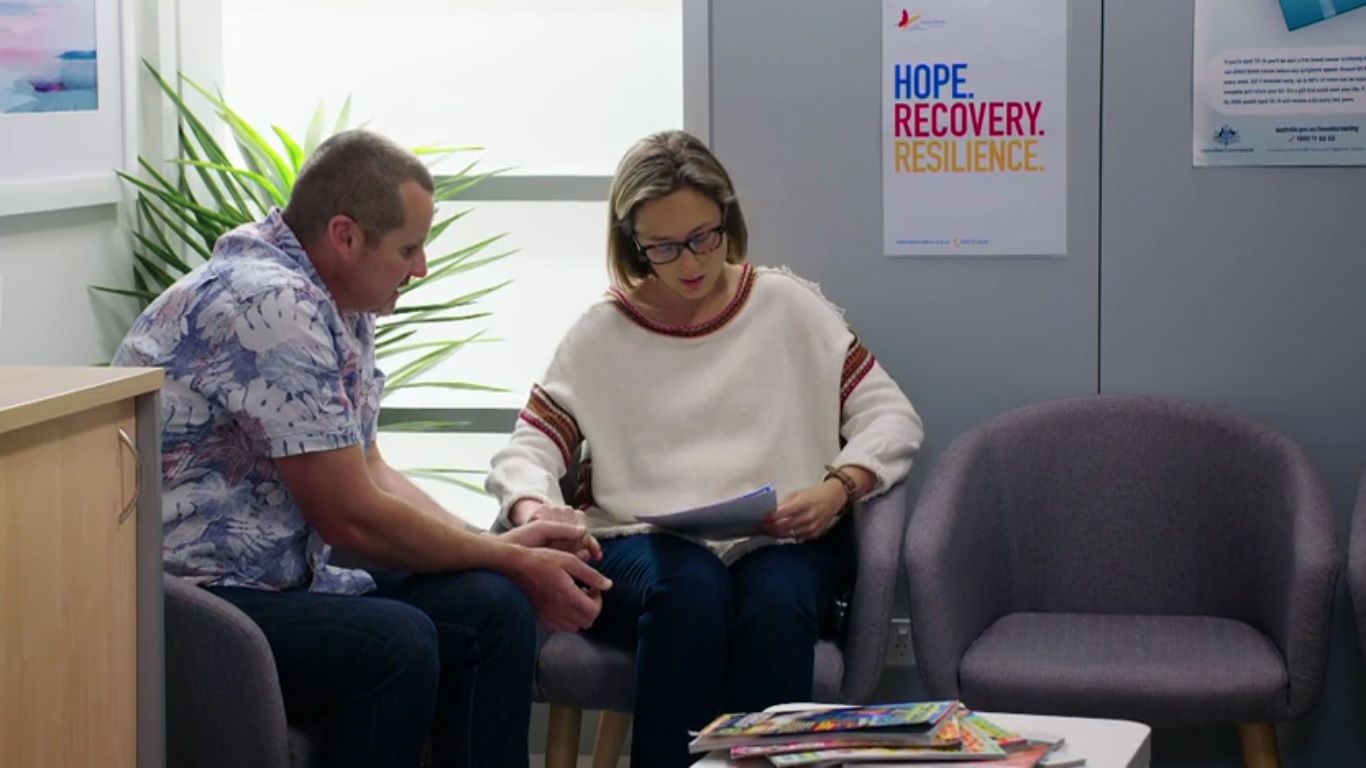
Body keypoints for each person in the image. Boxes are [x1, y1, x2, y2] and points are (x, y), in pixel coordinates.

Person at [113, 129, 611, 768]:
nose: (421, 267)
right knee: (395, 644)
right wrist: (510, 555)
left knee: (493, 606)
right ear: (345, 236)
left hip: (279, 577)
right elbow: (349, 516)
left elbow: (370, 468)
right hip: (197, 599)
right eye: (409, 247)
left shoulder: (338, 297)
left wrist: (499, 552)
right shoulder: (273, 303)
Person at [487, 130, 924, 767]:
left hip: (782, 538)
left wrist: (839, 488)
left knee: (773, 603)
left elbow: (890, 415)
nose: (689, 263)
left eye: (702, 237)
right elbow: (529, 447)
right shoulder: (601, 333)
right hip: (642, 543)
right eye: (663, 247)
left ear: (727, 219)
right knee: (688, 588)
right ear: (632, 243)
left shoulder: (788, 306)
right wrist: (534, 508)